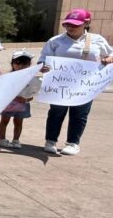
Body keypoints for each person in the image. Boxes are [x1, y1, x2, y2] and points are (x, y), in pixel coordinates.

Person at [39, 9, 113, 155]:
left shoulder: (97, 40)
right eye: (67, 24)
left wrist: (109, 59)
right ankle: (50, 140)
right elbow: (43, 59)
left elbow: (110, 53)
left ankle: (73, 143)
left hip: (85, 85)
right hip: (59, 84)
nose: (70, 27)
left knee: (80, 114)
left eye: (75, 24)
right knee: (56, 112)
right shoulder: (55, 41)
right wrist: (44, 66)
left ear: (86, 23)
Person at [0, 50, 40, 149]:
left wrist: (29, 98)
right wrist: (17, 97)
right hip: (8, 104)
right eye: (18, 62)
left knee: (18, 122)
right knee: (4, 121)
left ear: (29, 64)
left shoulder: (32, 77)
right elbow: (4, 91)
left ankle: (16, 140)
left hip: (23, 104)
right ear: (12, 63)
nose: (21, 65)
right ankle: (2, 139)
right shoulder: (8, 77)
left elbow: (33, 91)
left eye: (25, 63)